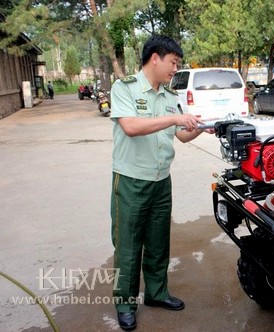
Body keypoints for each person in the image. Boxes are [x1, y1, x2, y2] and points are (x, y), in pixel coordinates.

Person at [110, 35, 207, 331]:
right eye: (173, 63)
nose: (174, 69)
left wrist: (201, 127)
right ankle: (124, 303)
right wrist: (175, 120)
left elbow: (180, 135)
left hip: (161, 181)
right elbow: (130, 127)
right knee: (127, 246)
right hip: (130, 180)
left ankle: (156, 293)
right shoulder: (124, 88)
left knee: (157, 241)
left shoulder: (168, 96)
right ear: (155, 58)